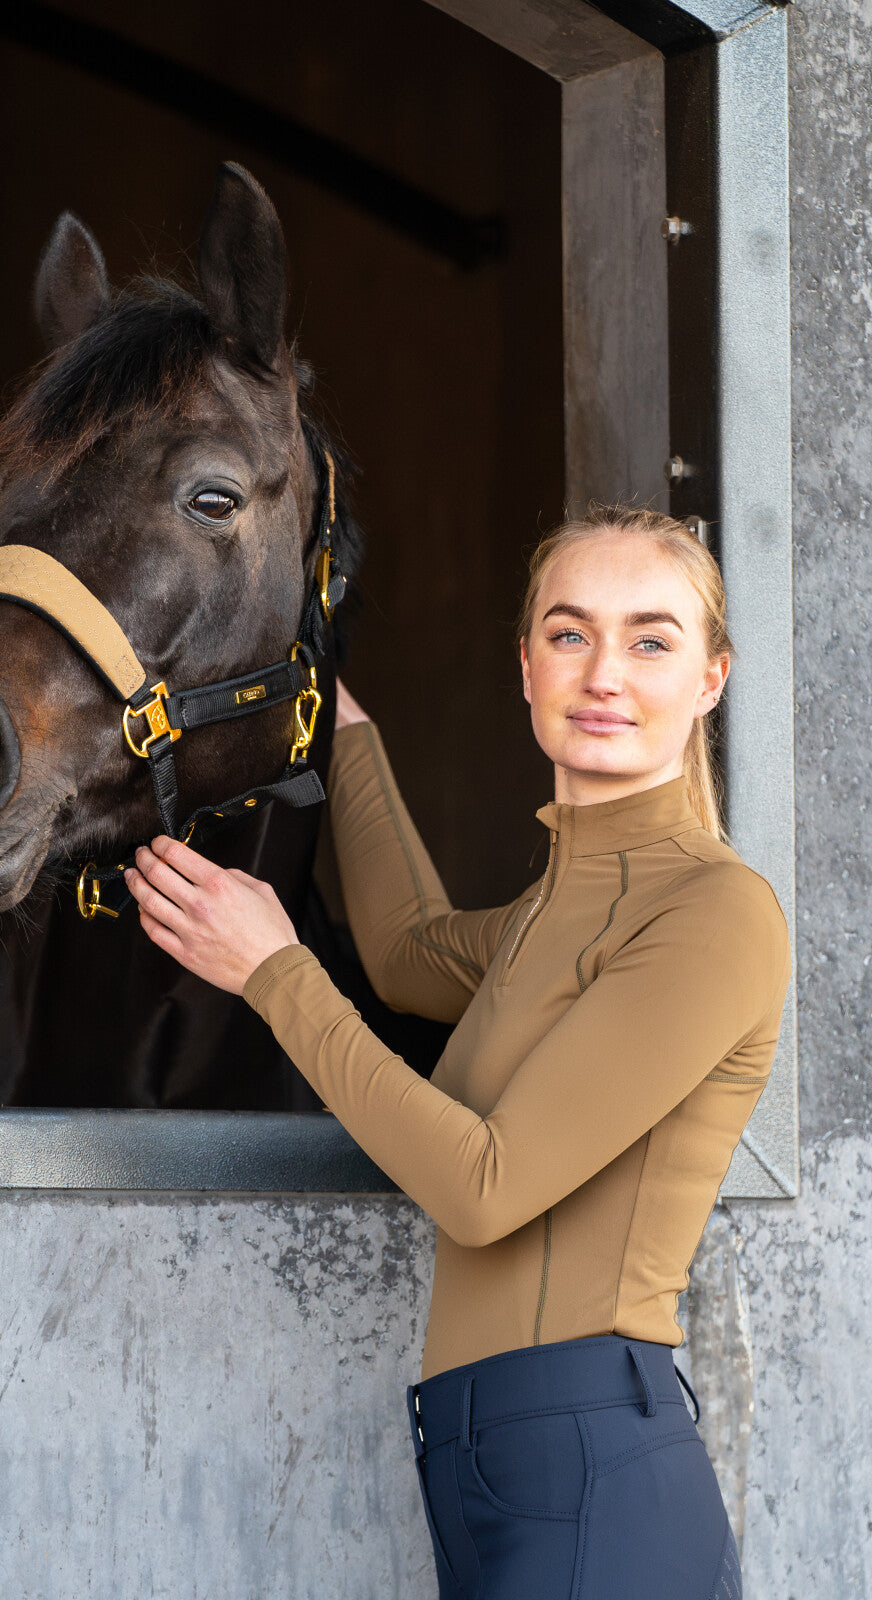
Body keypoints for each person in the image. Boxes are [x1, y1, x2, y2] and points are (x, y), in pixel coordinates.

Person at [124, 506, 790, 1600]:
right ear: (524, 667)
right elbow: (404, 953)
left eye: (651, 639)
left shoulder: (713, 912)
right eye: (569, 634)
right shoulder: (551, 911)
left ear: (711, 678)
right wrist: (335, 717)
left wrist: (275, 973)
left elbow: (486, 1188)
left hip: (590, 1462)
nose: (603, 672)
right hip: (495, 1460)